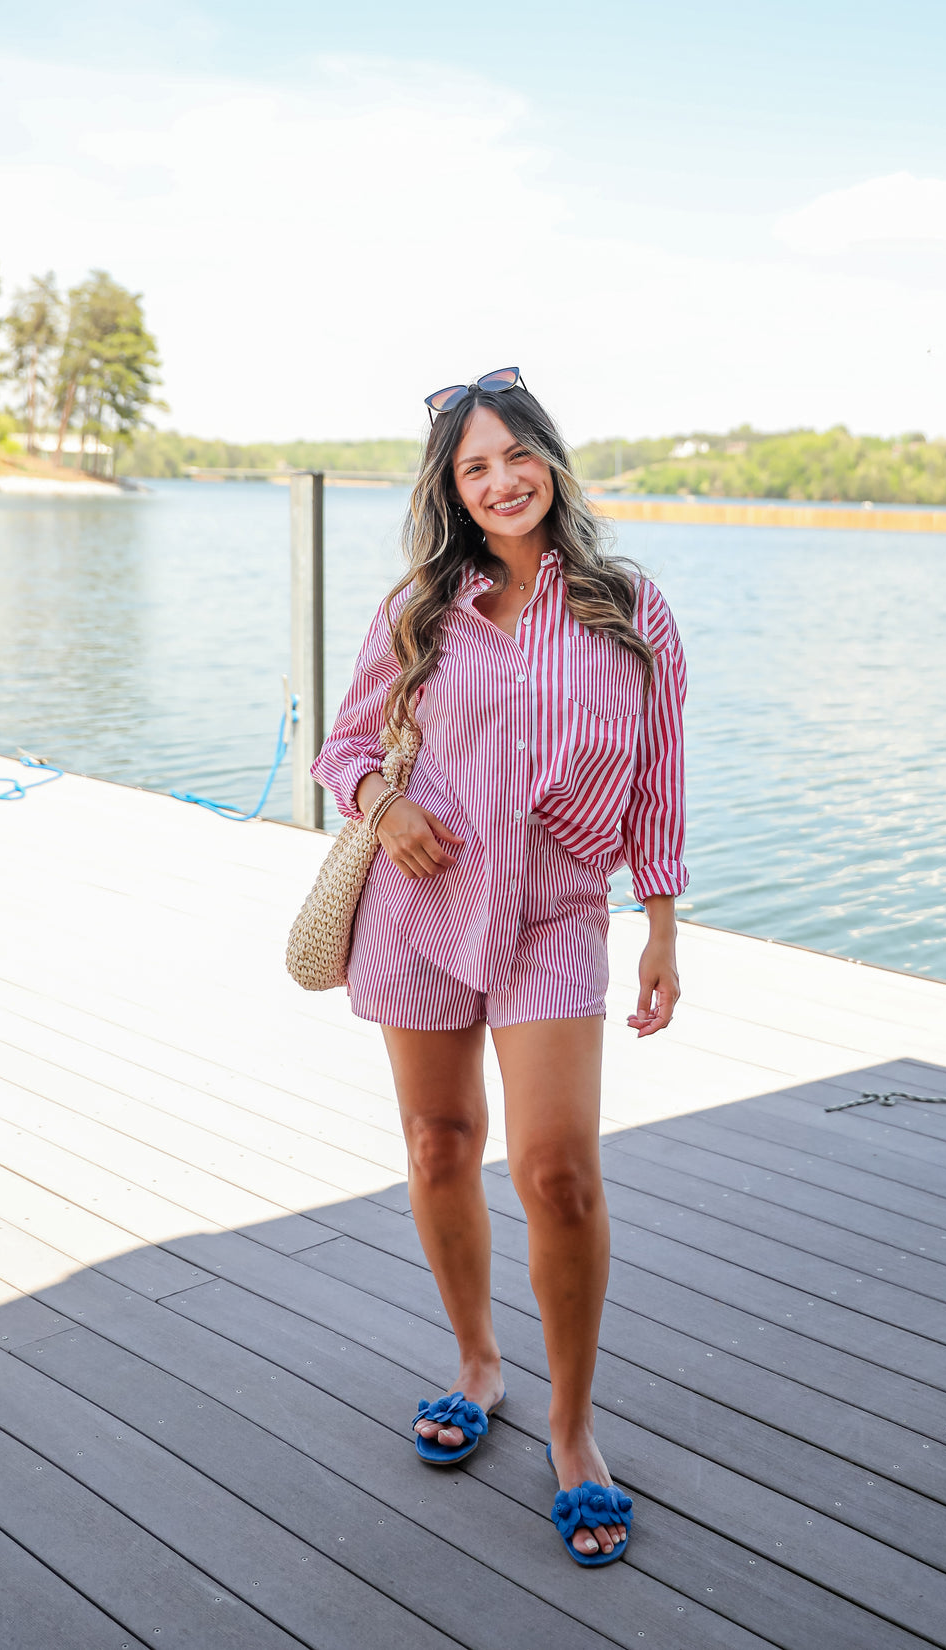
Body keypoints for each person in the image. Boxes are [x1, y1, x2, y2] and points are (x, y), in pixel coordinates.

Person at [309, 368, 687, 1565]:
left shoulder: (629, 607)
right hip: (420, 907)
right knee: (438, 1144)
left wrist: (659, 923)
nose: (500, 480)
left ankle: (572, 1429)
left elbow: (659, 778)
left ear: (549, 462)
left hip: (553, 916)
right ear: (453, 491)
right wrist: (385, 806)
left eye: (515, 455)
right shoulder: (419, 609)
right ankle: (477, 1362)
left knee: (557, 1171)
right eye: (474, 467)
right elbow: (343, 746)